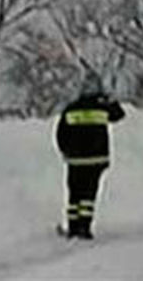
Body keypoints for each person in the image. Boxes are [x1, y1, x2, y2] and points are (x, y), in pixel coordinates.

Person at [54, 75, 125, 239]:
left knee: (74, 195)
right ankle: (84, 228)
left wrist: (65, 151)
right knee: (88, 196)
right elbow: (119, 115)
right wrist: (110, 100)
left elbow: (60, 134)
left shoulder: (71, 109)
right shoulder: (102, 108)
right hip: (95, 161)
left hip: (75, 161)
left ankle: (73, 229)